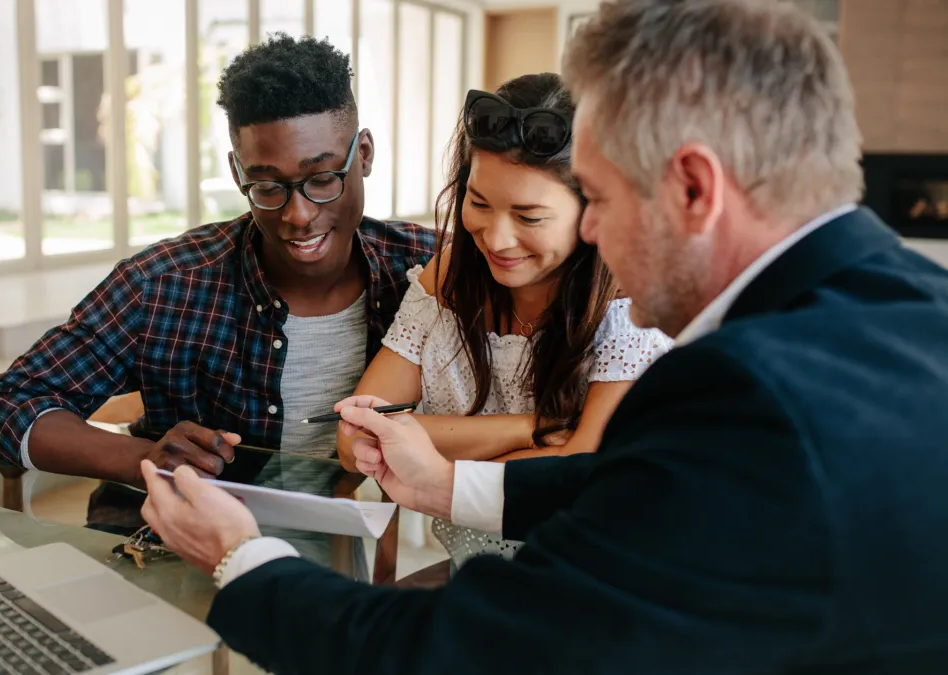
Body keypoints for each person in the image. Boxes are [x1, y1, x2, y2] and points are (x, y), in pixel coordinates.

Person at [136, 1, 948, 672]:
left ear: (694, 188)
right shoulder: (911, 302)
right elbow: (632, 485)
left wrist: (241, 556)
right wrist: (444, 487)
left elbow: (476, 653)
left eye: (594, 197)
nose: (589, 229)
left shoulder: (748, 393)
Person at [0, 36, 437, 484]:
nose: (299, 215)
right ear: (238, 175)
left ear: (366, 155)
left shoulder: (431, 270)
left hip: (365, 552)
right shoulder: (164, 285)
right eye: (268, 187)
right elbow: (8, 406)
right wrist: (144, 458)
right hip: (186, 550)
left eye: (322, 179)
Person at [338, 73, 670, 568]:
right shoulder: (447, 277)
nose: (496, 238)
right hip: (474, 580)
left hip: (596, 587)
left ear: (593, 210)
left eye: (529, 217)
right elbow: (357, 439)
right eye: (478, 203)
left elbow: (580, 471)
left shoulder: (628, 301)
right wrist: (531, 429)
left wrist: (429, 453)